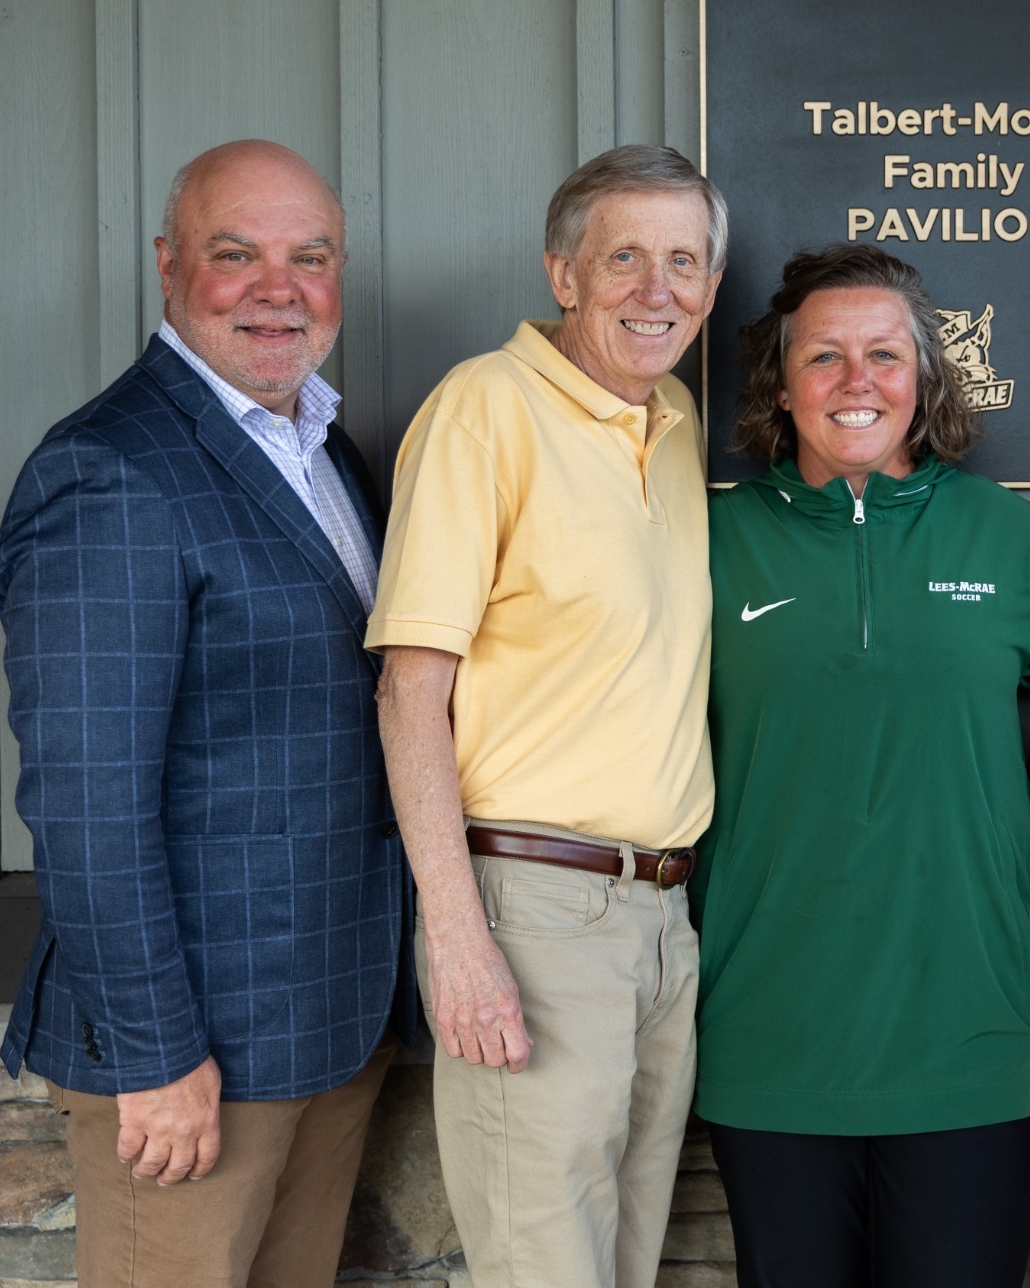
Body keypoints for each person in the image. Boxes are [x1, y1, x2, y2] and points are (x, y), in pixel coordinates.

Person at [0, 139, 413, 1287]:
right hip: (193, 1056)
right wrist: (157, 1051)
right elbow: (86, 802)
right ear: (171, 267)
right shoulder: (110, 472)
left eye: (309, 256)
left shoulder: (328, 453)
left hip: (327, 1017)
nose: (279, 288)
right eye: (237, 254)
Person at [693, 242, 1030, 1287]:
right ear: (777, 383)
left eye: (884, 356)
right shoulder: (710, 543)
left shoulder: (998, 538)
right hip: (770, 1039)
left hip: (971, 1045)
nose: (857, 382)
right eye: (823, 357)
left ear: (925, 380)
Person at [368, 144, 724, 1288]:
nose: (655, 289)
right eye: (623, 257)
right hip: (531, 911)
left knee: (619, 1263)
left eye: (683, 260)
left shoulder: (668, 420)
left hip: (663, 918)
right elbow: (408, 688)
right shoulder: (486, 408)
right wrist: (458, 936)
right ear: (562, 274)